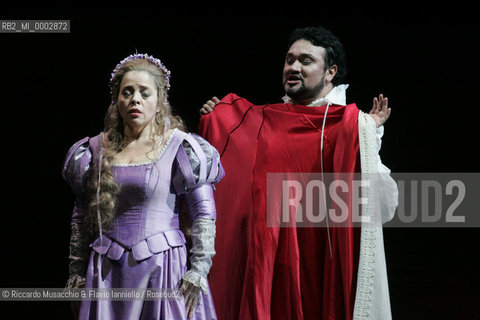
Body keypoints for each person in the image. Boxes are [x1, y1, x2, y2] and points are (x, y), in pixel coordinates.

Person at [198, 26, 398, 320]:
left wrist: (370, 139)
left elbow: (385, 207)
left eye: (306, 60)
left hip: (324, 264)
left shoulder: (352, 127)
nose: (293, 67)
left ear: (330, 72)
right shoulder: (261, 122)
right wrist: (219, 121)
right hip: (271, 269)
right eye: (289, 59)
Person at [62, 53, 224, 319]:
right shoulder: (94, 151)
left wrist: (198, 270)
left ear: (160, 102)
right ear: (117, 101)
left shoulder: (182, 148)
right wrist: (77, 274)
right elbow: (81, 218)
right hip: (107, 272)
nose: (135, 99)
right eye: (127, 92)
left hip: (162, 269)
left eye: (144, 93)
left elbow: (203, 215)